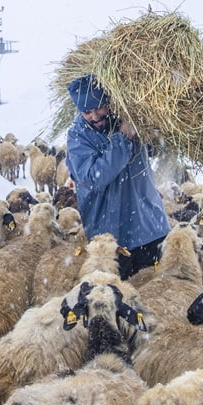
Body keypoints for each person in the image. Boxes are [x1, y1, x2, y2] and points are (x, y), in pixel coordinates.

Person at [64, 74, 171, 280]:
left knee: (156, 294)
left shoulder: (129, 119)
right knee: (116, 299)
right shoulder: (78, 137)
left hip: (150, 226)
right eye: (87, 111)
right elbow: (94, 178)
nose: (95, 116)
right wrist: (122, 139)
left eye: (99, 107)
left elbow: (155, 147)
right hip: (111, 238)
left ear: (109, 102)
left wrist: (150, 126)